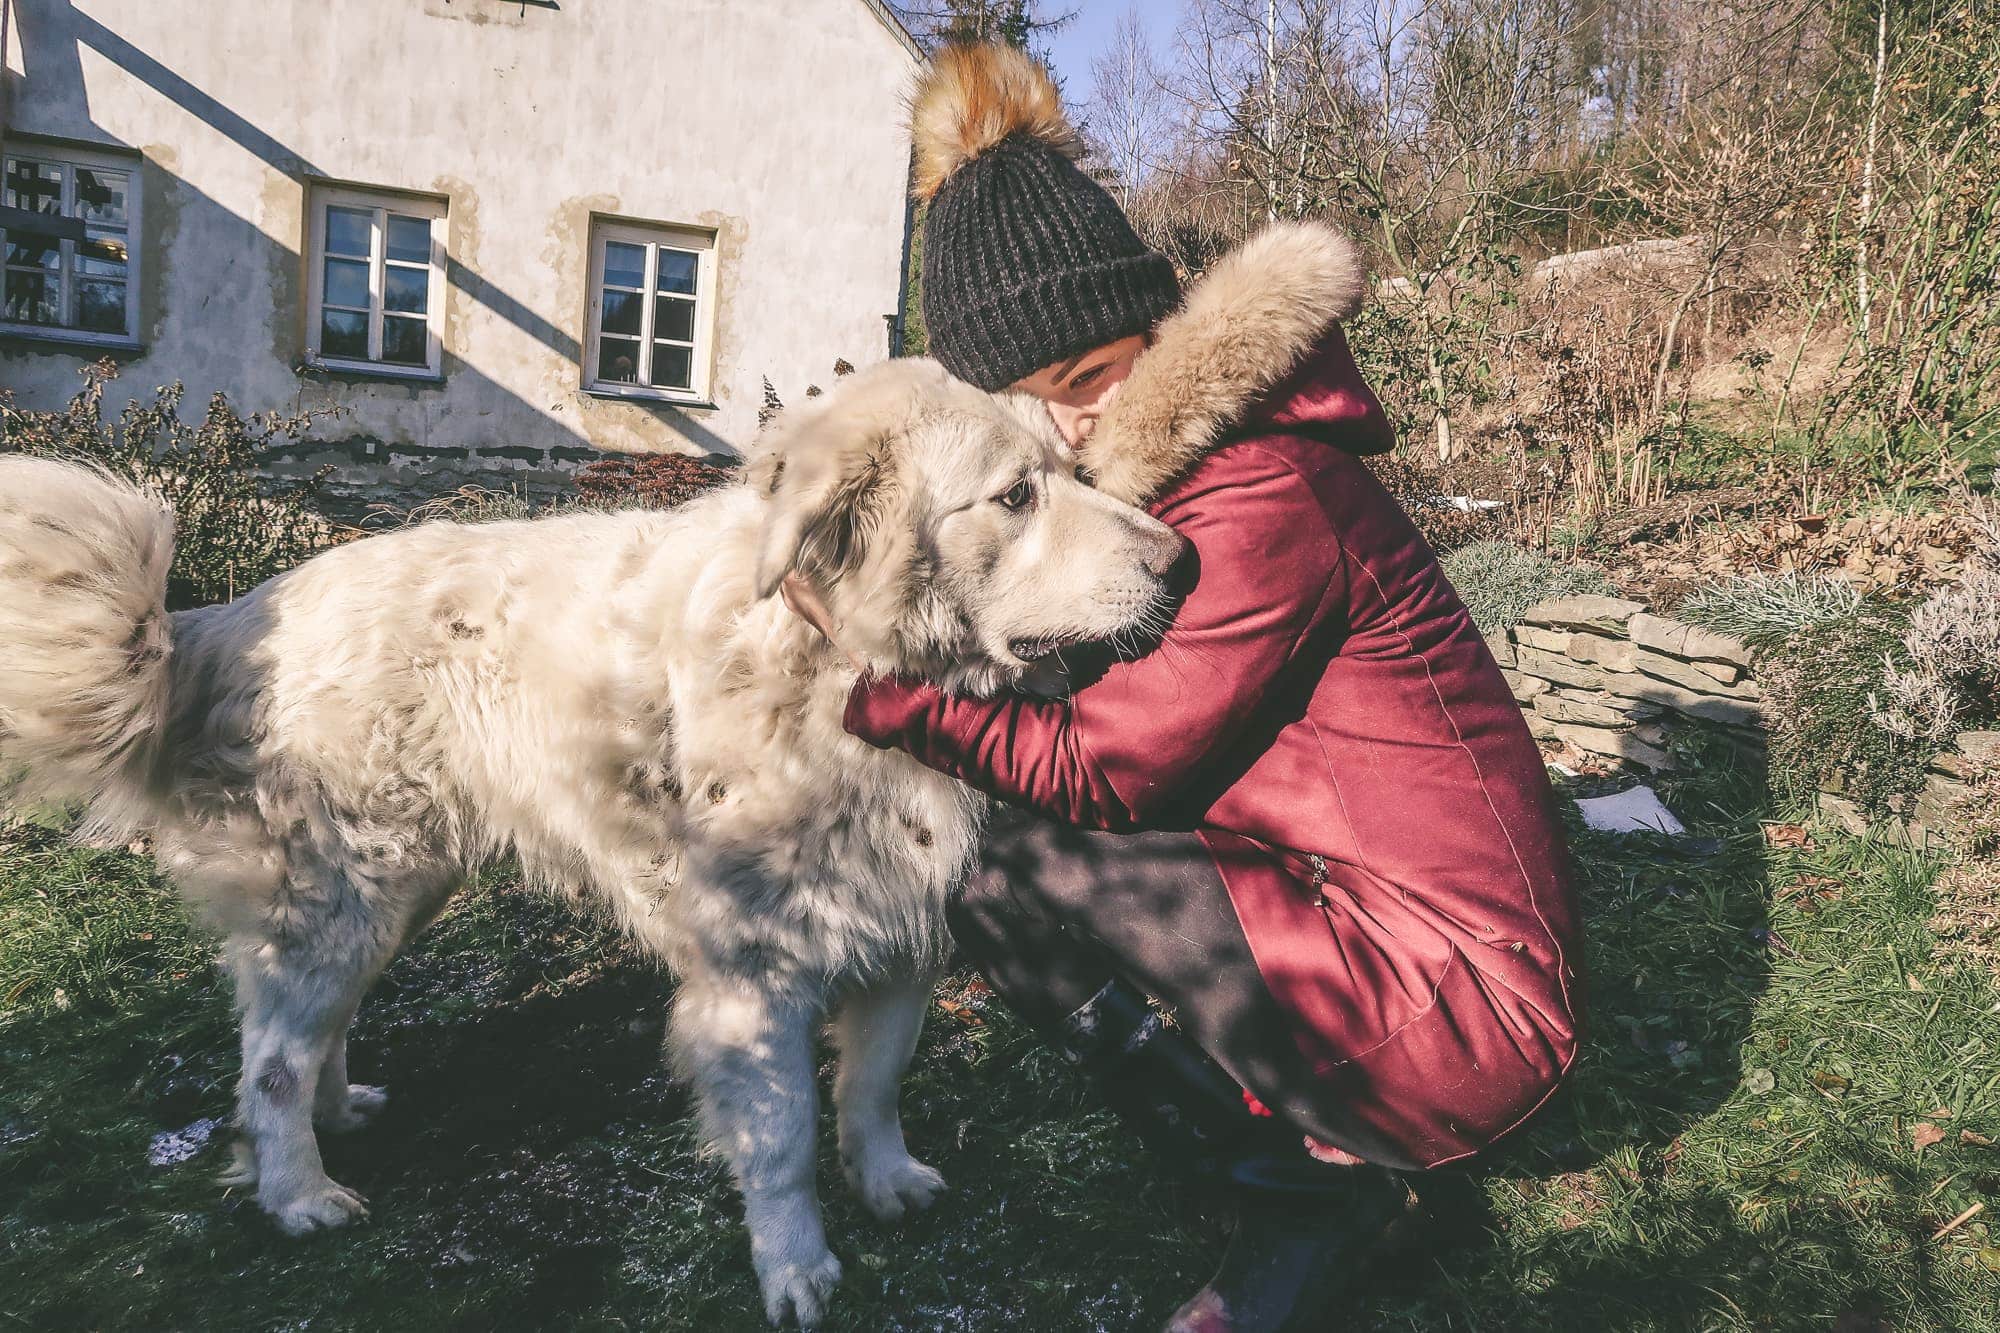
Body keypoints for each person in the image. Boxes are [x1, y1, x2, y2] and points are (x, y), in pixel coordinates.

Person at [785, 43, 1582, 1333]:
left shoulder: (1257, 490)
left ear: (1156, 334)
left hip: (1466, 1011)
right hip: (1371, 934)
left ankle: (1311, 1198)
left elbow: (1108, 769)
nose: (1071, 432)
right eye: (1032, 408)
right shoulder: (1187, 479)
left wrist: (884, 692)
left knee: (1008, 866)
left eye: (1089, 378)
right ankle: (1288, 1145)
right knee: (997, 852)